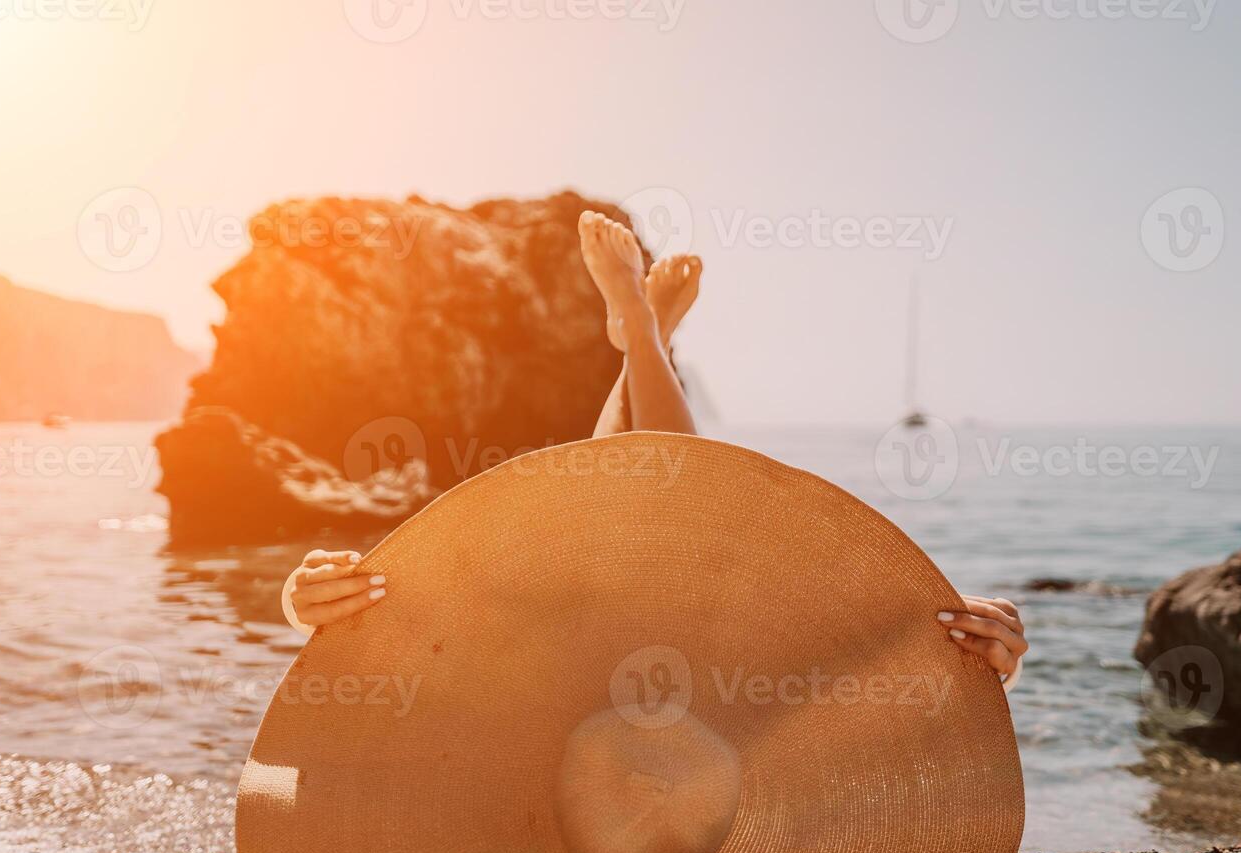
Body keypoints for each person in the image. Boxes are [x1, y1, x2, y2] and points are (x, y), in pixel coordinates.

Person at [282, 212, 1028, 683]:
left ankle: (641, 337)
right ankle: (643, 338)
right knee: (655, 541)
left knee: (649, 545)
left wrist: (974, 649)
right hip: (639, 670)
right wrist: (310, 600)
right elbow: (426, 610)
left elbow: (842, 650)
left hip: (652, 673)